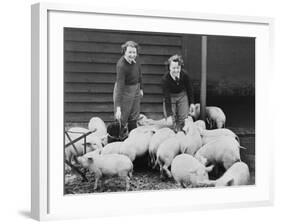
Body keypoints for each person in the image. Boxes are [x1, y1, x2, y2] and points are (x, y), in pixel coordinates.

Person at [113, 40, 143, 132]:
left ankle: (133, 136)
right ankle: (118, 138)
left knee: (134, 114)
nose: (132, 55)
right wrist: (118, 108)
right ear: (124, 51)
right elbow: (120, 87)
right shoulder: (121, 66)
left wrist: (141, 88)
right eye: (129, 52)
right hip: (124, 90)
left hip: (136, 89)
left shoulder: (136, 59)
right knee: (122, 116)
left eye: (134, 52)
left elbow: (140, 74)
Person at [162, 54, 195, 131]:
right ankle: (173, 136)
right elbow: (166, 97)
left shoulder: (185, 75)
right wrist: (169, 114)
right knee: (171, 121)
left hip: (182, 95)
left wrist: (192, 103)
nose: (176, 70)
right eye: (173, 68)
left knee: (183, 119)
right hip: (170, 97)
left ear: (180, 67)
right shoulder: (165, 79)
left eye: (178, 68)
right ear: (169, 68)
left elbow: (190, 89)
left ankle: (182, 135)